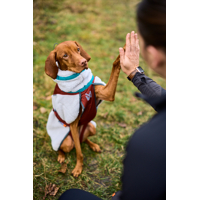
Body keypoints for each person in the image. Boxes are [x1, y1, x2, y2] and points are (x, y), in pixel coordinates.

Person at [58, 0, 166, 199]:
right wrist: (134, 73)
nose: (81, 59)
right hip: (68, 127)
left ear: (153, 54)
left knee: (69, 196)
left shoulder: (148, 143)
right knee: (66, 143)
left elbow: (108, 95)